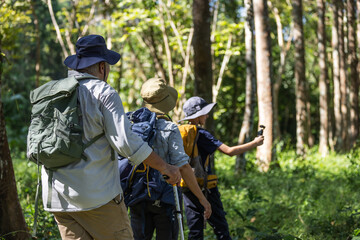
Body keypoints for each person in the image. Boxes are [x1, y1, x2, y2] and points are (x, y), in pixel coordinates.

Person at [34, 35, 181, 240]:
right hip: (95, 198)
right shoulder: (103, 92)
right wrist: (166, 168)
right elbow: (126, 143)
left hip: (58, 198)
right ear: (102, 67)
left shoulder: (53, 91)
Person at [127, 78, 212, 240]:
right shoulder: (170, 128)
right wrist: (202, 199)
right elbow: (183, 166)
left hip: (137, 195)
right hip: (165, 196)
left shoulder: (131, 125)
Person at [178, 96, 264, 240]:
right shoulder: (202, 134)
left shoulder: (179, 133)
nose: (207, 115)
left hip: (188, 187)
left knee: (195, 231)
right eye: (205, 113)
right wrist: (255, 143)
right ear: (198, 116)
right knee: (221, 228)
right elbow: (229, 151)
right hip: (206, 188)